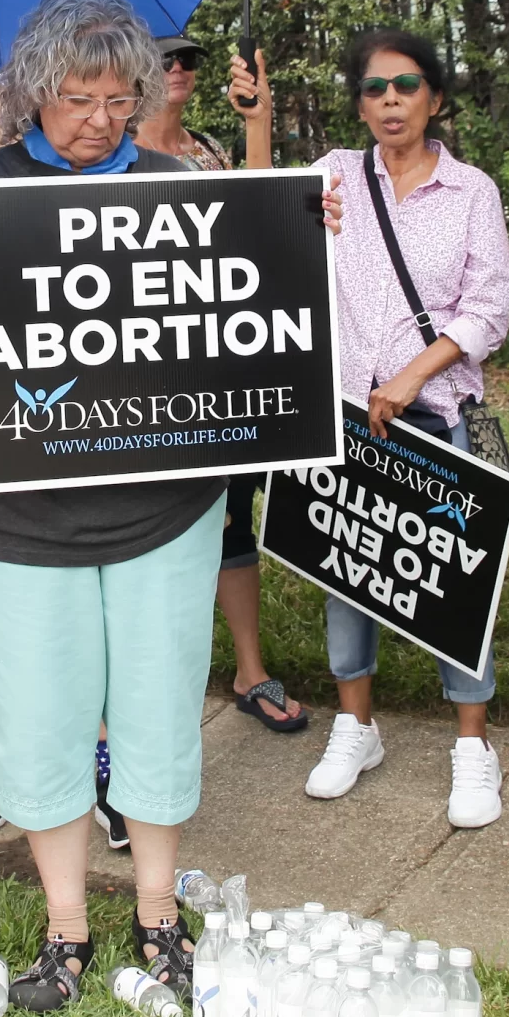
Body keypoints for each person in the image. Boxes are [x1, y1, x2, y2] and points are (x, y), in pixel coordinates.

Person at [0, 0, 274, 1011]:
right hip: (19, 516)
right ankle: (65, 923)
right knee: (38, 716)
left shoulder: (176, 185)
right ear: (32, 93)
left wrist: (294, 227)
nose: (101, 119)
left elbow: (246, 308)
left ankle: (158, 913)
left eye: (119, 99)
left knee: (159, 707)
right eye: (77, 98)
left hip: (165, 512)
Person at [300, 30, 509, 828]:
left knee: (454, 578)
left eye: (406, 85)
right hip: (345, 410)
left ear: (435, 97)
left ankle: (474, 742)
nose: (390, 100)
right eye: (374, 88)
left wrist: (411, 377)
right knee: (346, 569)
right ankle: (356, 725)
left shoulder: (471, 191)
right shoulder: (332, 177)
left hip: (432, 408)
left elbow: (490, 306)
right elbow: (268, 228)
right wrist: (260, 132)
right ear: (359, 104)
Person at [171, 42, 309, 738]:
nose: (177, 69)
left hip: (221, 368)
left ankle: (250, 671)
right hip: (145, 378)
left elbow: (259, 217)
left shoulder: (209, 153)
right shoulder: (109, 158)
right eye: (161, 58)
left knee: (231, 516)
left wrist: (259, 124)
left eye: (188, 58)